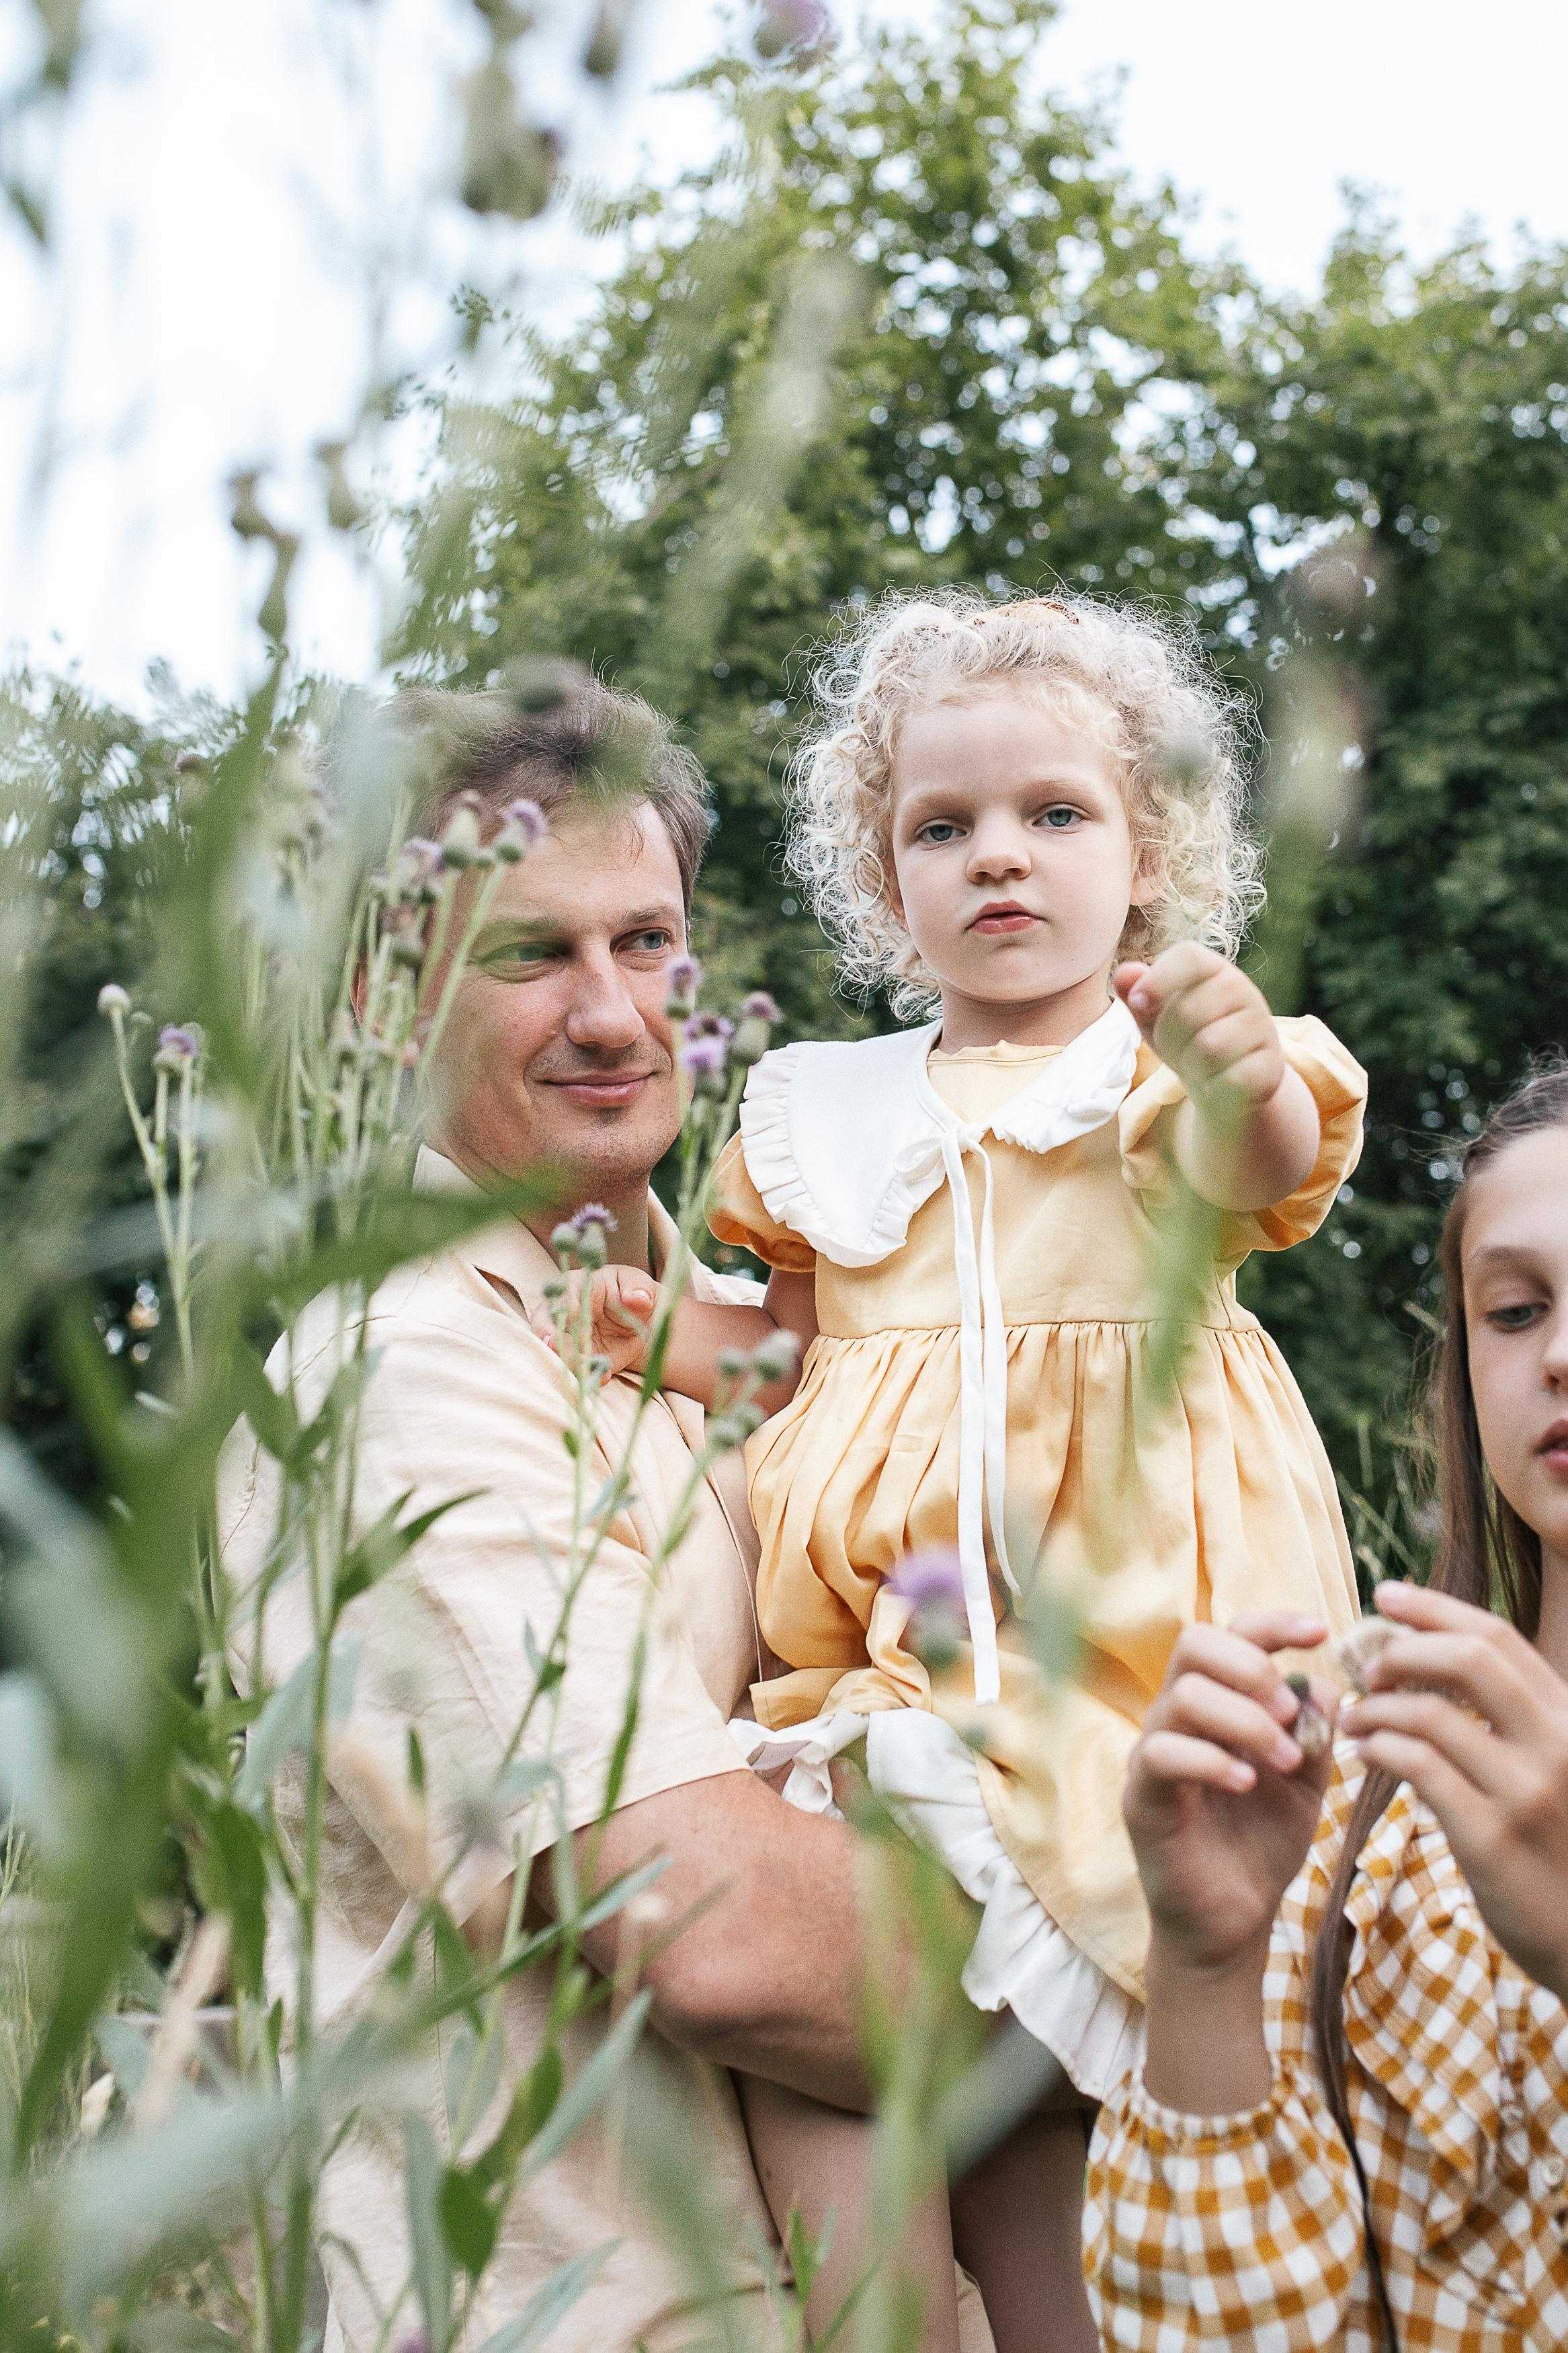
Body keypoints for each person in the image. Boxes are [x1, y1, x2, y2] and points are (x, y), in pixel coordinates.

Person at [550, 590, 1368, 2350]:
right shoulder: (829, 1108)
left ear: (1142, 850)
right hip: (889, 1661)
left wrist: (1234, 1066)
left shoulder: (1158, 1061)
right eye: (943, 825)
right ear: (883, 866)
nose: (998, 855)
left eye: (1052, 814)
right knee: (837, 2054)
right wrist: (649, 1326)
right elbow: (786, 1332)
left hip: (1123, 1656)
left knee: (1069, 2139)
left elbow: (1263, 1163)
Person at [218, 682, 995, 2353]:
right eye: (528, 954)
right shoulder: (392, 1366)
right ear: (382, 991)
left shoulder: (792, 1346)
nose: (611, 1013)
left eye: (647, 942)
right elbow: (697, 1924)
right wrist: (1155, 1957)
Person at [1085, 1054, 1568, 2349]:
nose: (1563, 1353)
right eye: (1515, 1311)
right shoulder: (1370, 1781)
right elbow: (1240, 2330)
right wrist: (1205, 1968)